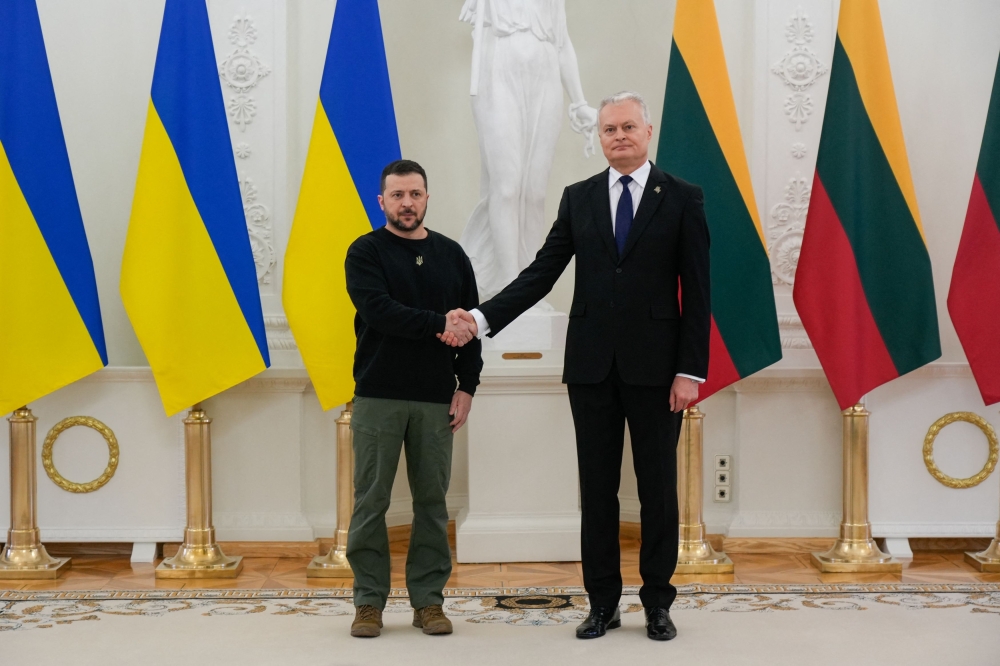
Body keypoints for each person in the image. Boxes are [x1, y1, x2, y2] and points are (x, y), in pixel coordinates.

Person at [441, 92, 710, 641]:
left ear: (648, 130)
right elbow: (541, 272)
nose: (618, 136)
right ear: (600, 137)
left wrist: (691, 370)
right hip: (590, 368)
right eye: (609, 129)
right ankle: (603, 603)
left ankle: (658, 602)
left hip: (660, 372)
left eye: (628, 126)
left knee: (657, 490)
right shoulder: (579, 197)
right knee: (598, 490)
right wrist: (480, 316)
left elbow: (699, 292)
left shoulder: (683, 198)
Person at [344, 159, 483, 638]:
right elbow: (379, 312)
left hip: (435, 400)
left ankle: (428, 602)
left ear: (427, 198)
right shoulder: (365, 252)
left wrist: (467, 386)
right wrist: (438, 323)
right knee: (371, 503)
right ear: (382, 201)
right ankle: (368, 603)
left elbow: (471, 327)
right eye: (398, 195)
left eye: (415, 194)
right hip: (378, 396)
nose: (407, 203)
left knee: (432, 504)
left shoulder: (453, 255)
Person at [458, 0, 598, 300]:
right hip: (498, 74)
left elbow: (562, 44)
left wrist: (579, 102)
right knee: (506, 187)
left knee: (535, 192)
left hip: (545, 78)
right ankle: (510, 289)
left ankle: (529, 291)